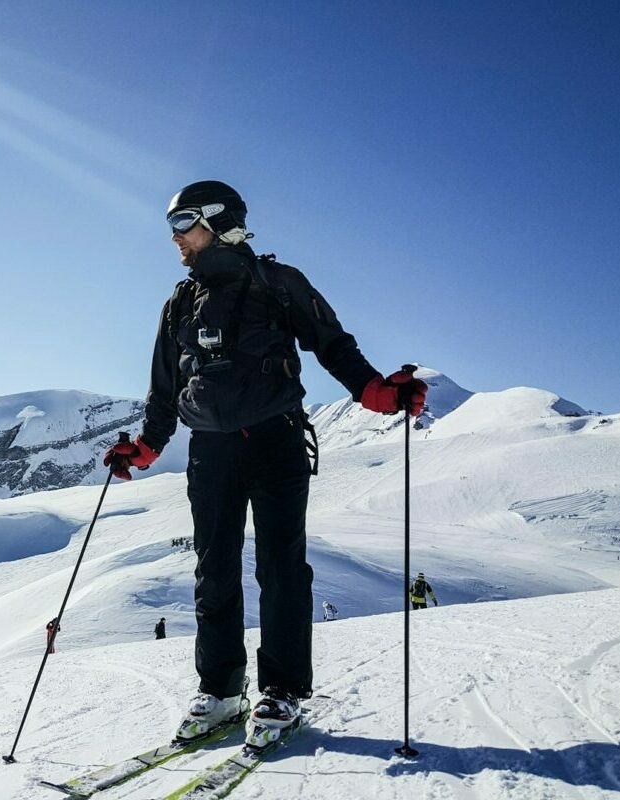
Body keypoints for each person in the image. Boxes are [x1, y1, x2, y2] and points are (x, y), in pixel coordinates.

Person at [104, 180, 427, 747]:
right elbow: (163, 388)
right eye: (172, 226)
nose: (174, 238)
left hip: (276, 440)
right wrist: (149, 445)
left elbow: (333, 344)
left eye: (183, 223)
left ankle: (281, 690)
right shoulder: (179, 302)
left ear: (219, 221)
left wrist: (374, 391)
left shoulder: (280, 283)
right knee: (215, 569)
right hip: (210, 452)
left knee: (281, 567)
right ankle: (222, 691)